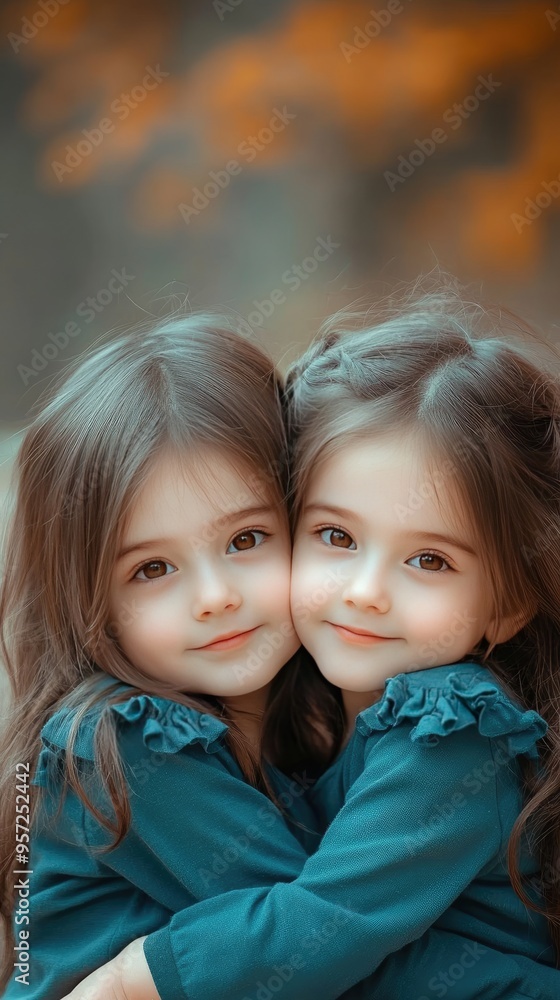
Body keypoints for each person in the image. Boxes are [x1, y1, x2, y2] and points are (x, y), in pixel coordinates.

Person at [63, 285, 560, 1000]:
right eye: (336, 536)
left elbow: (323, 927)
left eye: (430, 561)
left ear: (507, 606)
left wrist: (135, 978)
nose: (365, 590)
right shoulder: (309, 731)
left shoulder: (454, 732)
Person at [0, 315, 339, 999]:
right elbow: (327, 941)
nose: (214, 597)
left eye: (246, 540)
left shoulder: (305, 722)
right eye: (153, 569)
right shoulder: (122, 744)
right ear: (86, 598)